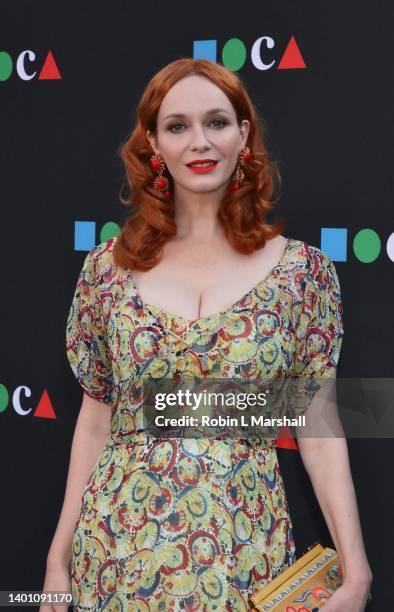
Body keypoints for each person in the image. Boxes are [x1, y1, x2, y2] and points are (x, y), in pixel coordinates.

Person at [41, 58, 372, 611]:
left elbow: (318, 423)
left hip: (246, 552)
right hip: (117, 551)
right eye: (177, 126)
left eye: (216, 122)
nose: (199, 141)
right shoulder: (107, 271)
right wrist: (57, 560)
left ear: (243, 135)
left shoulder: (302, 274)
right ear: (154, 143)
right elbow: (97, 419)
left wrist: (356, 571)